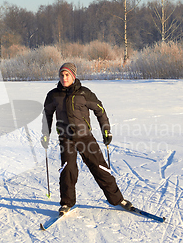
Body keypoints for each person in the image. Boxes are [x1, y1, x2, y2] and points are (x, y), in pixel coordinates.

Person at [41, 62, 133, 214]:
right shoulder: (53, 95)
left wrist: (106, 131)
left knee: (100, 168)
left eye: (67, 75)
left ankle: (117, 199)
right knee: (68, 170)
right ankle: (67, 203)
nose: (64, 78)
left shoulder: (84, 93)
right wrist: (45, 134)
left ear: (73, 76)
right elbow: (47, 115)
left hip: (85, 137)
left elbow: (100, 110)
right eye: (62, 75)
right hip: (66, 138)